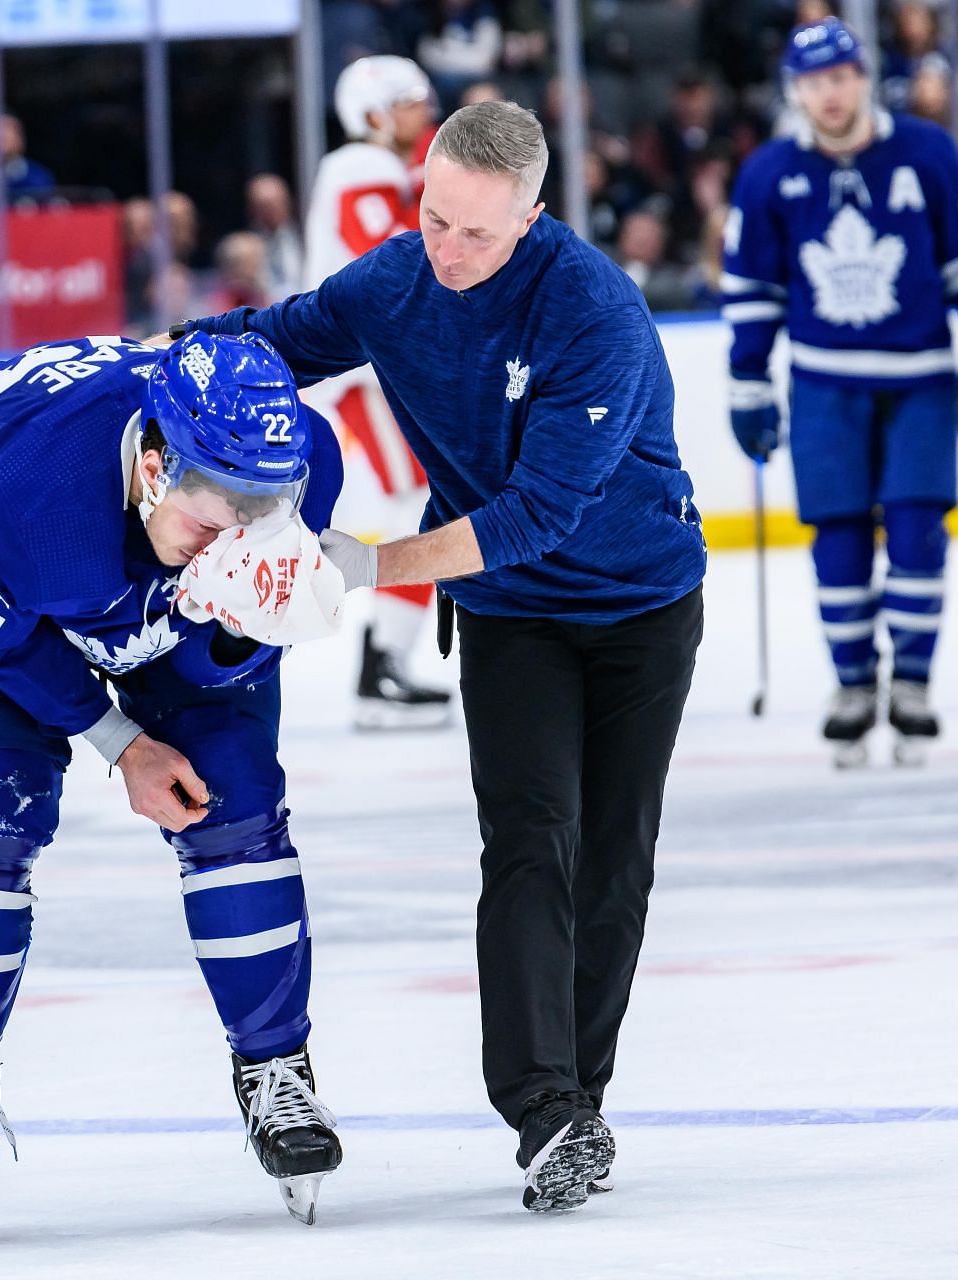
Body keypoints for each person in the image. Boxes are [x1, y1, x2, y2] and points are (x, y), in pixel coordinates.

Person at [179, 100, 706, 1213]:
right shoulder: (397, 282)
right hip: (511, 617)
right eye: (434, 218)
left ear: (534, 216)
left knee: (614, 858)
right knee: (528, 838)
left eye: (476, 231)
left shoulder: (592, 311)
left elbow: (538, 515)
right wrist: (138, 378)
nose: (447, 250)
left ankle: (582, 1099)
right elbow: (271, 340)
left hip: (641, 607)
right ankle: (545, 1106)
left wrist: (364, 567)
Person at [0, 332, 347, 1240]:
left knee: (236, 799)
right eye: (217, 522)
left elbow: (230, 655)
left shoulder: (302, 461)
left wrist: (232, 621)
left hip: (119, 568)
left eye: (263, 516)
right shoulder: (32, 507)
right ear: (151, 466)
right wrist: (120, 740)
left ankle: (275, 1067)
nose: (240, 542)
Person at [720, 18, 958, 768]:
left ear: (862, 77)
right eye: (815, 82)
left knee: (920, 529)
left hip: (920, 377)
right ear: (798, 90)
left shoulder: (926, 152)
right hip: (825, 384)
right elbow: (754, 289)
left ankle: (912, 682)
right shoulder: (767, 174)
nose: (831, 94)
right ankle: (853, 685)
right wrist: (749, 379)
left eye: (842, 77)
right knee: (840, 537)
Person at [301, 54, 454, 730]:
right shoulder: (364, 169)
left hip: (367, 368)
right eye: (408, 101)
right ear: (372, 114)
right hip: (368, 371)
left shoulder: (369, 168)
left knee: (427, 510)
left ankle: (383, 662)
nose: (422, 112)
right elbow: (393, 256)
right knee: (424, 513)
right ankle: (381, 667)